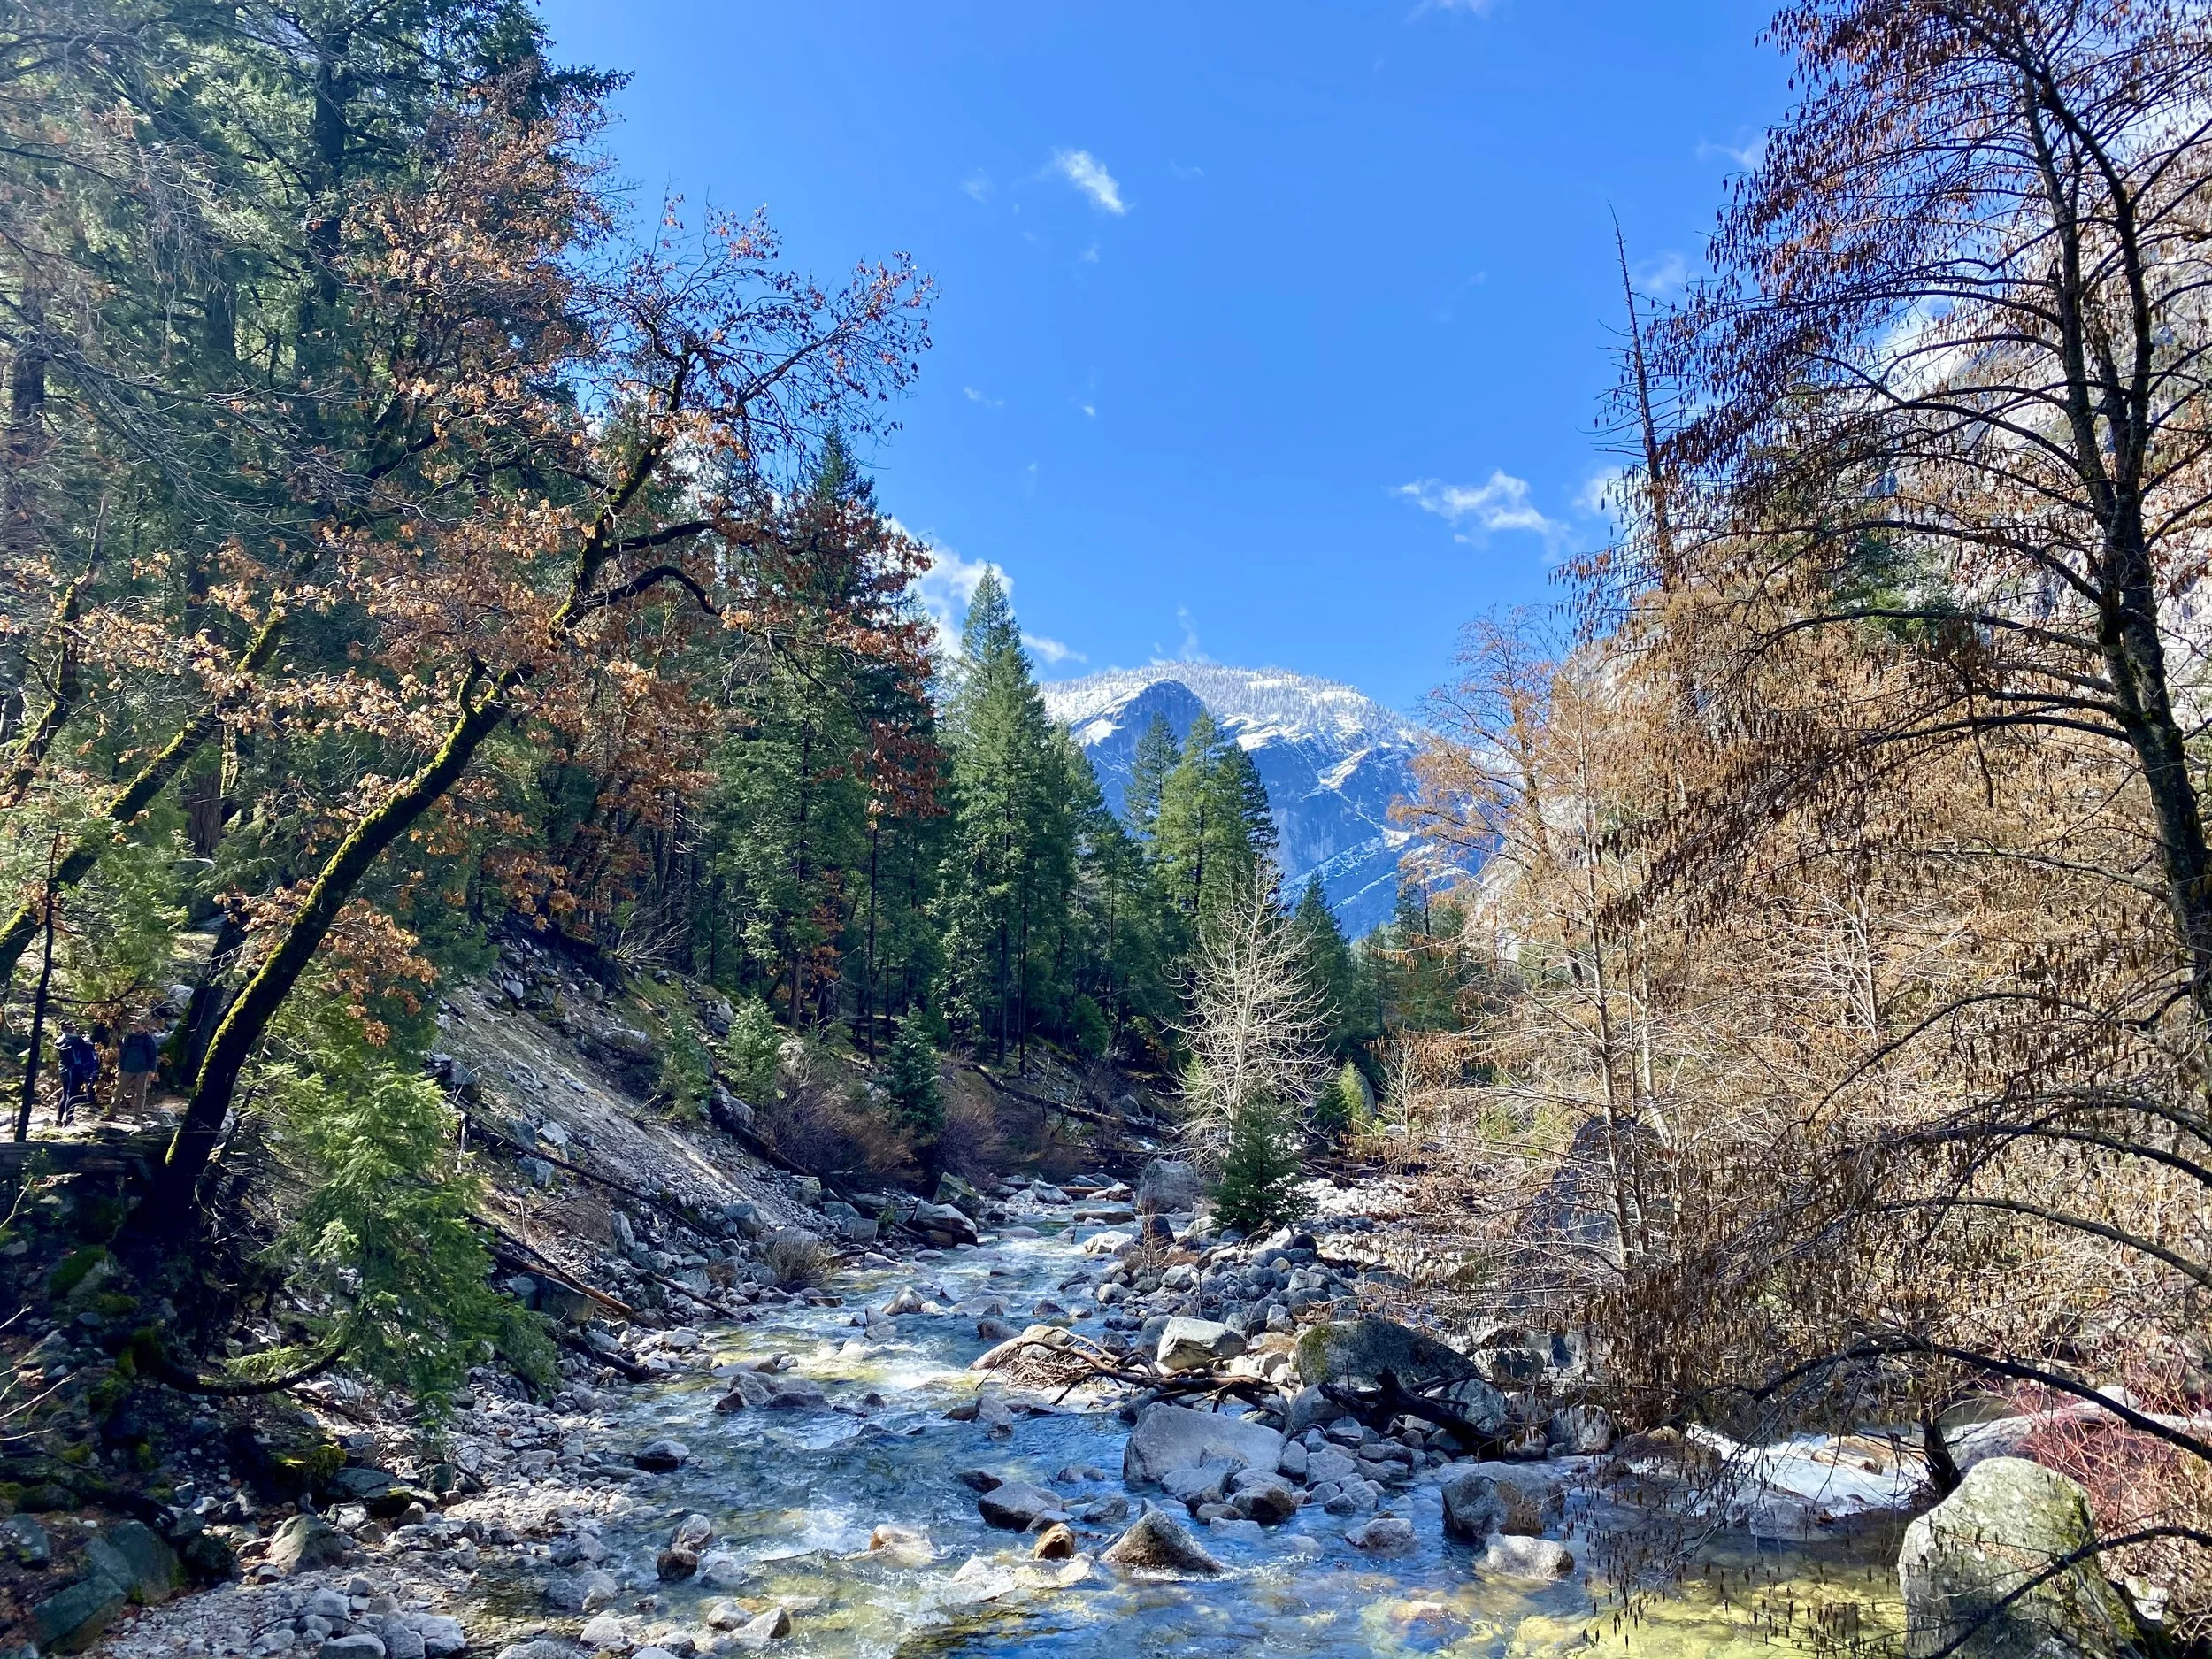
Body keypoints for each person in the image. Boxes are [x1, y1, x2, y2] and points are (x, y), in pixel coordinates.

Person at [116, 1018, 160, 1118]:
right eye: (132, 1026)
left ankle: (138, 1115)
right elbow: (123, 1054)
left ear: (143, 1026)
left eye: (136, 1025)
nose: (134, 1028)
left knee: (140, 1094)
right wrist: (121, 1069)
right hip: (128, 1068)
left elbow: (153, 1056)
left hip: (142, 1070)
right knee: (118, 1092)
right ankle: (111, 1113)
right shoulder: (129, 1038)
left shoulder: (148, 1040)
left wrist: (152, 1070)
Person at [56, 1025, 99, 1124]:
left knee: (65, 1094)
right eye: (74, 1028)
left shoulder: (60, 1040)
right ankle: (69, 1119)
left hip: (63, 1070)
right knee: (72, 1095)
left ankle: (58, 1119)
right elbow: (90, 1046)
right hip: (75, 1070)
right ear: (71, 1030)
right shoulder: (77, 1041)